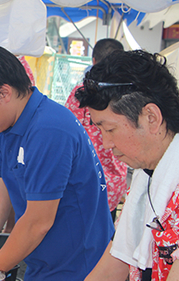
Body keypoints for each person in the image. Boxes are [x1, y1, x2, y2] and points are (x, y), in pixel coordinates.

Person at [38, 50, 179, 281]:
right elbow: (112, 268)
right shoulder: (149, 176)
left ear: (151, 117)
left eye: (110, 129)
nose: (106, 143)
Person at [0, 45, 114, 281]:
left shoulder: (49, 129)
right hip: (42, 267)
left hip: (79, 275)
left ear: (3, 93)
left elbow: (38, 222)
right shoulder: (6, 128)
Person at [65, 38, 127, 222]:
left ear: (93, 61)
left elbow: (68, 136)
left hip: (81, 185)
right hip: (112, 186)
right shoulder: (126, 95)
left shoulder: (80, 94)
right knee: (105, 240)